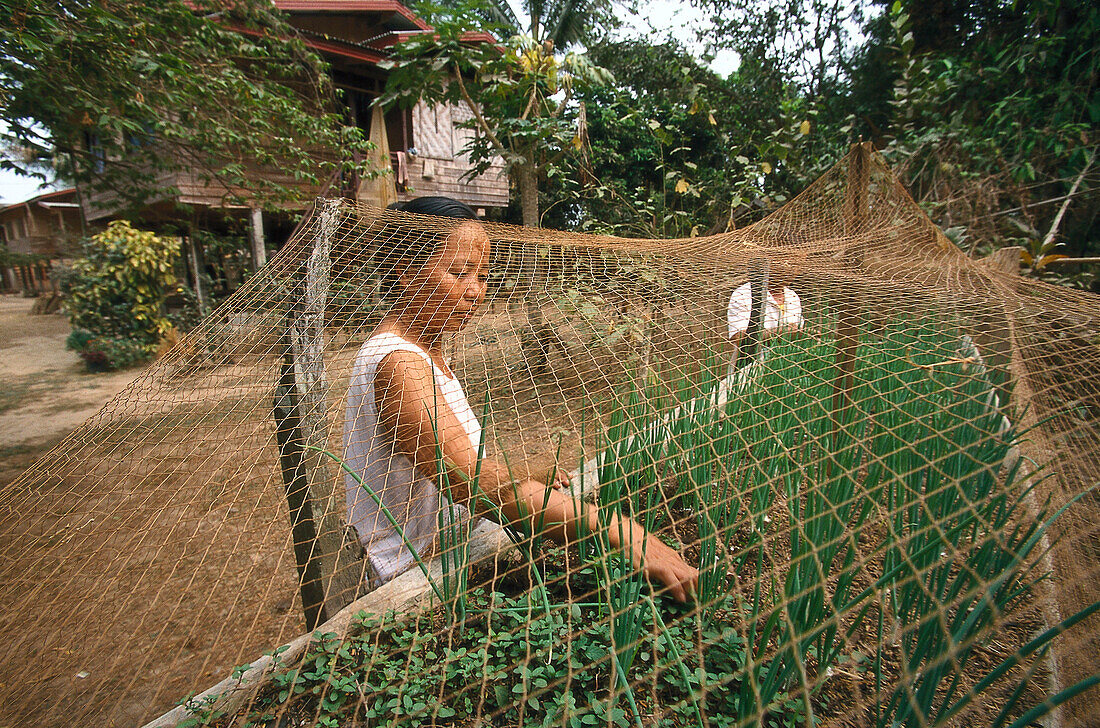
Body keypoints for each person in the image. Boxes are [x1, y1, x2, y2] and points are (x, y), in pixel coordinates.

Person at [344, 197, 698, 602]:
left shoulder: (426, 349)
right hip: (412, 576)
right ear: (405, 272)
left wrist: (527, 473)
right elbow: (469, 483)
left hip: (452, 550)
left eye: (482, 275)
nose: (475, 291)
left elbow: (444, 464)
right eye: (459, 273)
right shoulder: (400, 366)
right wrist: (625, 532)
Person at [727, 262, 803, 369]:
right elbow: (740, 338)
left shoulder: (793, 297)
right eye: (789, 265)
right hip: (750, 367)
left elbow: (796, 332)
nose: (795, 271)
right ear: (769, 266)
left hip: (787, 367)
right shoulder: (744, 294)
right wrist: (781, 332)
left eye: (797, 267)